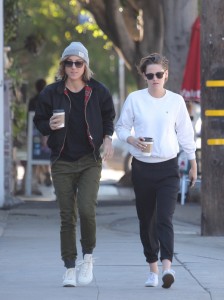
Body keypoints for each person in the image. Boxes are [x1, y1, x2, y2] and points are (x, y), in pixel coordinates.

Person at [33, 42, 115, 287]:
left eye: (78, 63)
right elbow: (39, 120)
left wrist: (108, 139)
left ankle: (87, 257)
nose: (73, 67)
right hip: (62, 160)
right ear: (63, 65)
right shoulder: (51, 92)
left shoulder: (98, 91)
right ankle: (69, 267)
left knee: (87, 210)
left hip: (90, 160)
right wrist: (50, 126)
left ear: (85, 65)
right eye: (69, 62)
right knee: (67, 216)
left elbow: (108, 117)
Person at [115, 53, 197, 289]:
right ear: (144, 76)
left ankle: (167, 268)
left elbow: (186, 135)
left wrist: (193, 163)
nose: (154, 79)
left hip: (168, 168)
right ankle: (152, 268)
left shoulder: (175, 101)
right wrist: (132, 139)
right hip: (142, 168)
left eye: (158, 74)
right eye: (150, 75)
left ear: (166, 75)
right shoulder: (135, 99)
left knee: (164, 218)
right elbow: (121, 128)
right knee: (146, 220)